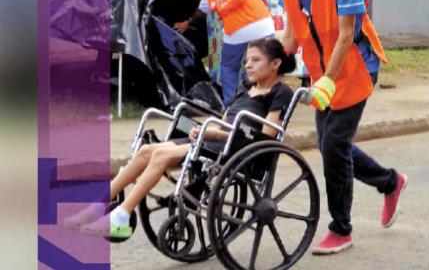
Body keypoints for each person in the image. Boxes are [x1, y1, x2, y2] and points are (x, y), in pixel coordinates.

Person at [273, 0, 406, 255]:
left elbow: (347, 33)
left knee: (332, 144)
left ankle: (341, 228)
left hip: (356, 66)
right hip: (321, 70)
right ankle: (390, 182)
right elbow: (291, 31)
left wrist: (329, 81)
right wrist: (270, 62)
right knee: (332, 144)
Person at [64, 38, 296, 238]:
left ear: (275, 64)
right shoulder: (245, 88)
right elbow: (225, 119)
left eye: (255, 60)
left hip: (238, 150)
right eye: (247, 60)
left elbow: (265, 137)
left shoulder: (280, 92)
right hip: (214, 140)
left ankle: (122, 216)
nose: (247, 65)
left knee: (161, 154)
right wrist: (202, 128)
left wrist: (214, 131)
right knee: (147, 150)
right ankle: (98, 206)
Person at [175, 0, 275, 106]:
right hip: (263, 24)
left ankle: (232, 106)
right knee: (266, 63)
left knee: (229, 67)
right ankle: (270, 101)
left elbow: (202, 13)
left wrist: (187, 23)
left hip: (236, 31)